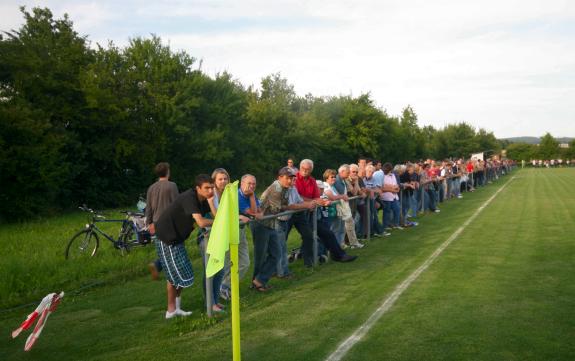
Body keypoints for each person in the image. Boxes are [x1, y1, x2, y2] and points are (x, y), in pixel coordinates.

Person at [155, 174, 216, 319]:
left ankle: (175, 308)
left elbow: (215, 216)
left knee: (179, 275)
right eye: (207, 188)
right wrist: (219, 221)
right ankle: (171, 310)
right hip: (167, 237)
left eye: (212, 188)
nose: (210, 191)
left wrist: (212, 202)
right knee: (177, 275)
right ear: (198, 188)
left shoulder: (204, 200)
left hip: (178, 239)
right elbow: (201, 222)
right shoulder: (190, 197)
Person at [293, 159, 358, 264]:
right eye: (303, 168)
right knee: (306, 236)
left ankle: (339, 255)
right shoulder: (294, 179)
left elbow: (317, 197)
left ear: (311, 170)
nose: (305, 171)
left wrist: (318, 201)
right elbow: (297, 197)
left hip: (310, 213)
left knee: (327, 233)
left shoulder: (312, 180)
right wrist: (314, 201)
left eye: (308, 169)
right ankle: (307, 261)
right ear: (300, 168)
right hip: (295, 213)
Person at [220, 174, 258, 299]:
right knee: (227, 263)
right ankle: (223, 289)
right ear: (241, 184)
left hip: (240, 231)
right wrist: (253, 212)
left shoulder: (251, 195)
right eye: (249, 183)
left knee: (245, 263)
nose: (251, 186)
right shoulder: (236, 195)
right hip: (228, 232)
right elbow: (253, 213)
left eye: (254, 183)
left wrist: (252, 196)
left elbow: (255, 213)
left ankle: (225, 286)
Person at [196, 168, 229, 313]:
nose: (223, 181)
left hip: (219, 236)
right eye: (220, 179)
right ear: (214, 181)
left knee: (220, 271)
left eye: (225, 178)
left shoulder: (226, 194)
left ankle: (215, 301)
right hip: (207, 236)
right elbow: (218, 216)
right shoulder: (212, 194)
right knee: (211, 270)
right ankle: (210, 304)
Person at [145, 162, 179, 281]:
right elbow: (176, 205)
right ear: (168, 172)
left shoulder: (151, 187)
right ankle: (159, 266)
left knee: (163, 248)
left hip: (156, 223)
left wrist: (149, 223)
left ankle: (158, 266)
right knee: (174, 248)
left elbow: (148, 207)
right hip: (169, 223)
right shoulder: (172, 186)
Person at [324, 166, 364, 249]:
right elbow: (333, 196)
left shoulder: (340, 181)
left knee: (341, 228)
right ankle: (340, 246)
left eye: (334, 177)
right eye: (332, 177)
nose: (334, 178)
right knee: (335, 229)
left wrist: (356, 182)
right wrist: (342, 196)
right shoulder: (332, 183)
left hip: (340, 209)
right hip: (334, 210)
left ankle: (340, 245)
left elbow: (354, 192)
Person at [381, 163, 402, 231]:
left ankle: (395, 224)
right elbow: (383, 186)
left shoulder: (393, 175)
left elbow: (395, 184)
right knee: (387, 212)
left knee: (397, 209)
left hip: (394, 196)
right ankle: (385, 225)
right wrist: (392, 187)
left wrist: (396, 188)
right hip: (386, 196)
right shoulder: (382, 176)